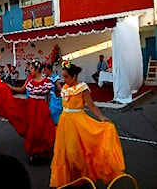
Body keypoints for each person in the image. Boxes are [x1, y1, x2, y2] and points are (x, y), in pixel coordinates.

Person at [49, 60, 125, 188]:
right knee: (65, 153)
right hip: (64, 122)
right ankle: (72, 178)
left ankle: (81, 178)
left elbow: (92, 106)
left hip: (78, 123)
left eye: (67, 77)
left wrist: (102, 118)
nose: (64, 79)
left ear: (74, 76)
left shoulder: (82, 88)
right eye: (63, 76)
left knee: (75, 153)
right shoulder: (66, 88)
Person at [0, 60, 55, 164]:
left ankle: (39, 151)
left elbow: (48, 96)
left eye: (31, 69)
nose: (30, 71)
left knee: (41, 129)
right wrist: (9, 87)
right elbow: (22, 90)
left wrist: (48, 107)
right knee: (31, 128)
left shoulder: (47, 82)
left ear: (37, 69)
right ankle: (33, 153)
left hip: (41, 107)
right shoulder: (30, 81)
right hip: (30, 106)